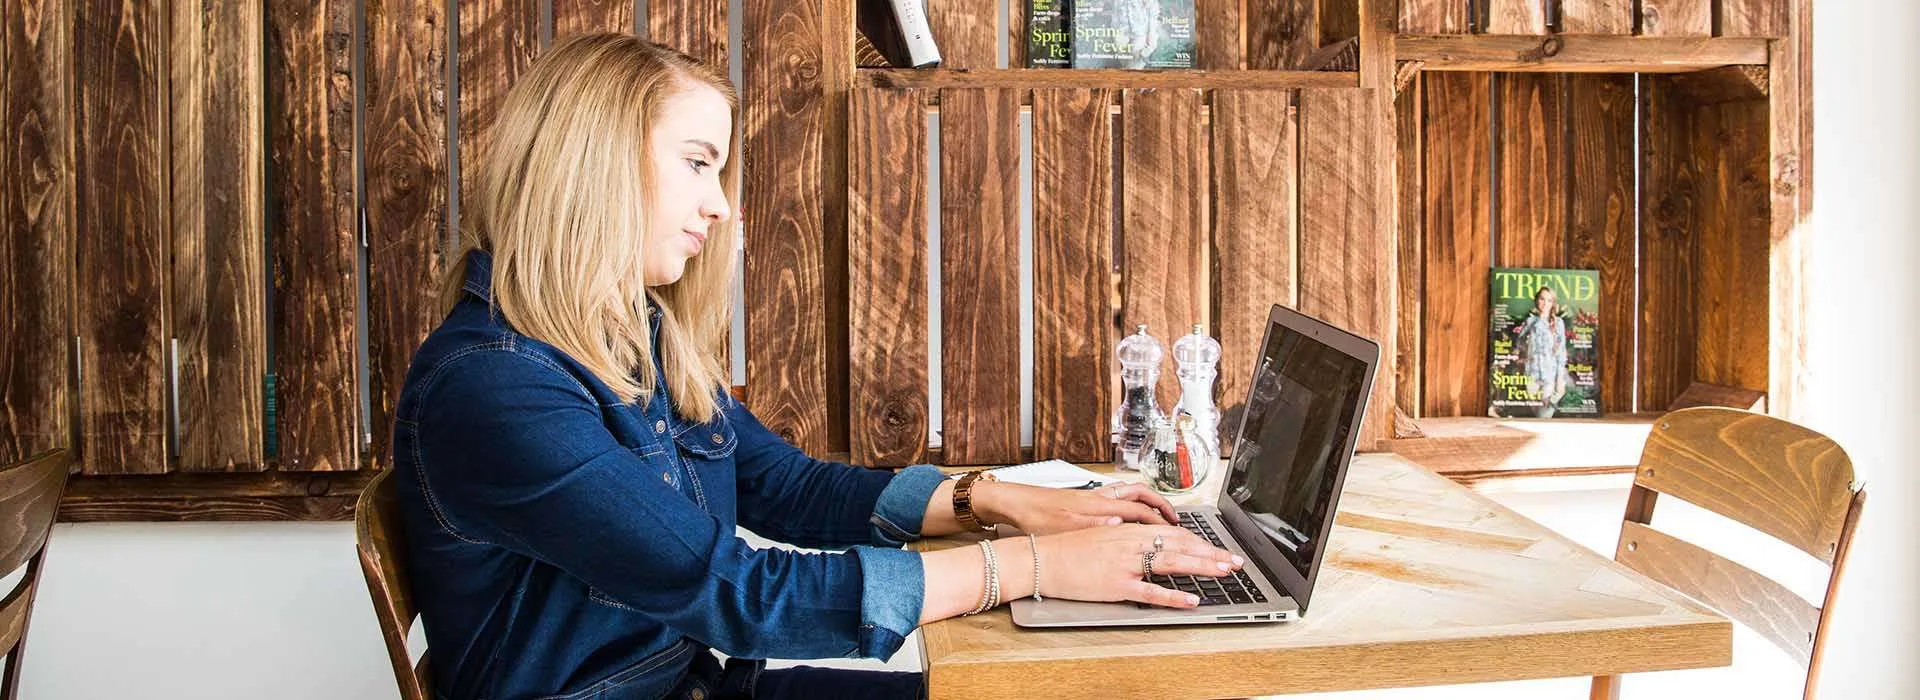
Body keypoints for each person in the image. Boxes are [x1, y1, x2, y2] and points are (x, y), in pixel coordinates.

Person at [389, 33, 1242, 700]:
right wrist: (1029, 566)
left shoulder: (626, 338)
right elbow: (736, 593)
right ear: (595, 159)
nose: (720, 207)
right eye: (697, 162)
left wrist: (991, 499)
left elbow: (787, 488)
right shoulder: (495, 388)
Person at [1512, 285, 1571, 418]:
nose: (1545, 303)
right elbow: (1519, 342)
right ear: (1536, 300)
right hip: (1531, 374)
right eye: (1542, 299)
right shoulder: (1530, 321)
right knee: (1534, 413)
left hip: (1550, 376)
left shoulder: (1558, 323)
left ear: (1553, 303)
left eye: (1549, 300)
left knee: (1544, 415)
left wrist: (1559, 379)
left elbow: (1561, 354)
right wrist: (1524, 356)